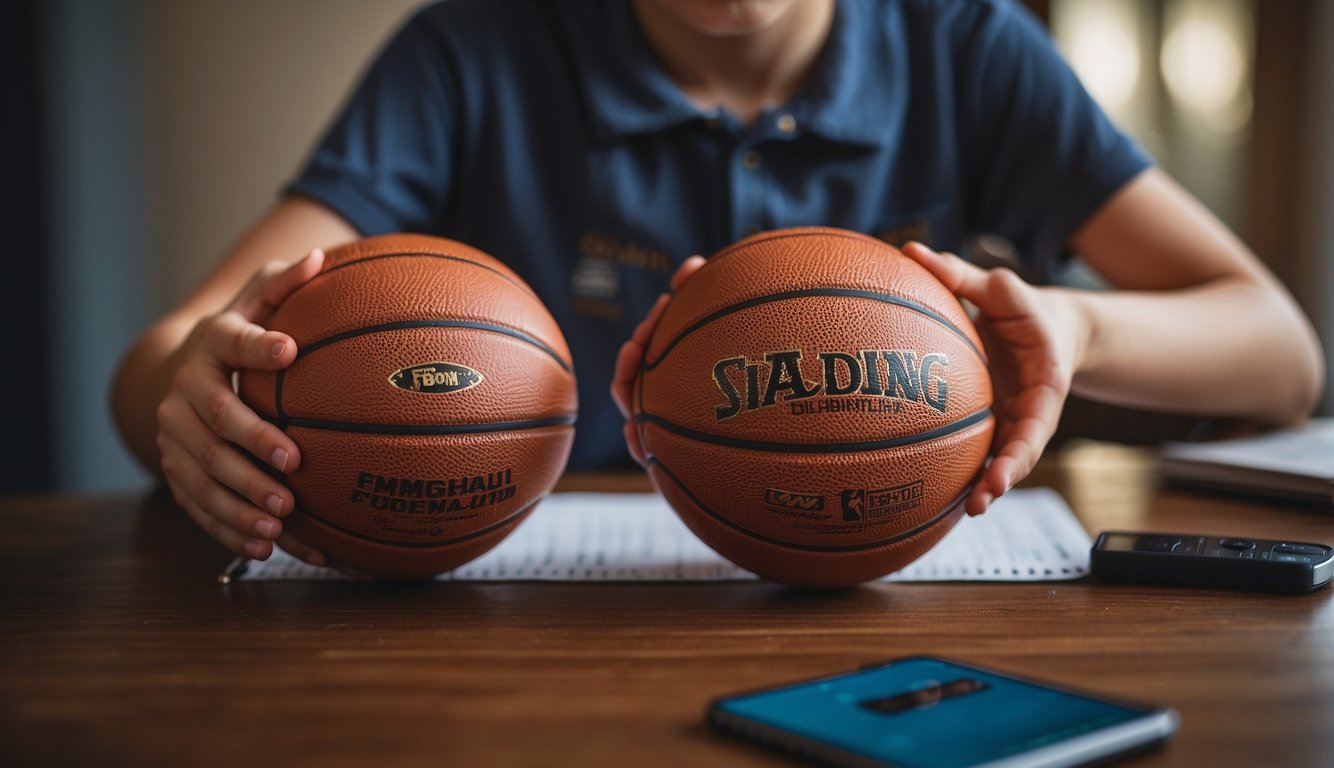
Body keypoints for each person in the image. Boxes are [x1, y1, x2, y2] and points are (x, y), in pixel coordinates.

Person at [111, 0, 1324, 568]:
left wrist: (1068, 323)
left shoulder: (961, 46)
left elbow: (1278, 353)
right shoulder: (472, 54)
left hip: (878, 595)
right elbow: (168, 352)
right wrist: (188, 403)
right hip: (528, 624)